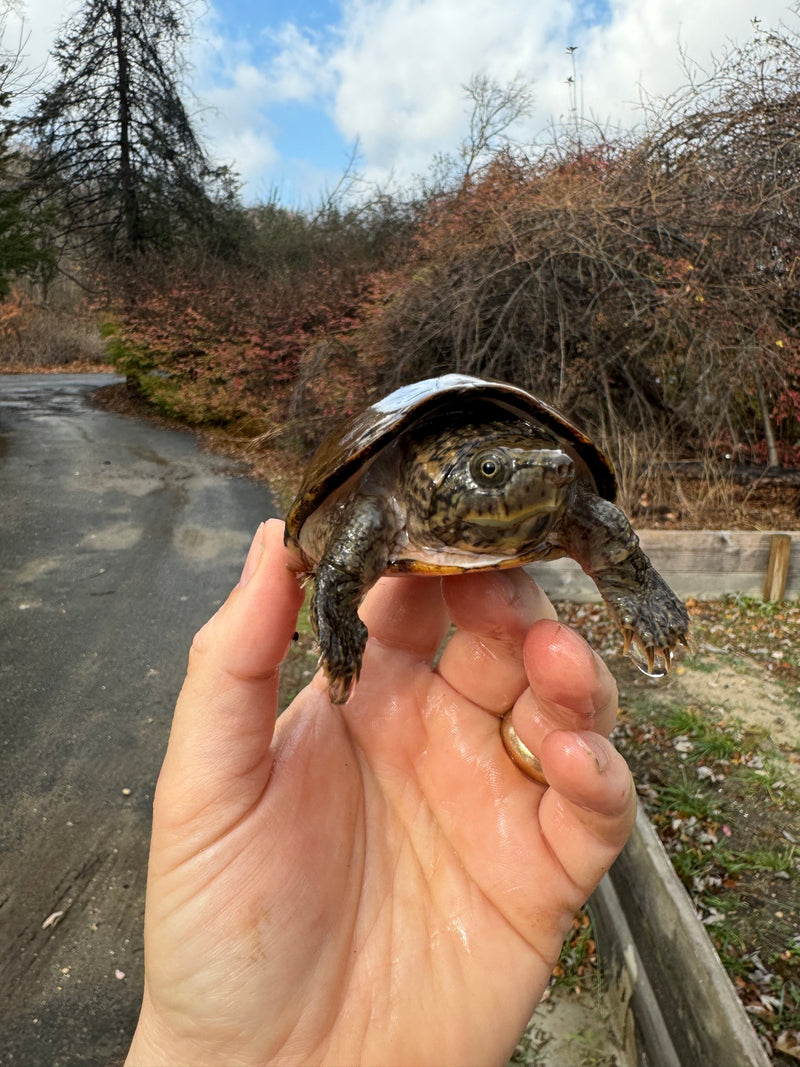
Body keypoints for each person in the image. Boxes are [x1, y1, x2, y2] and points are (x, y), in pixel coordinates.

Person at [125, 518, 636, 1067]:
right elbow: (353, 534)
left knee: (552, 654)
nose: (545, 473)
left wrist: (634, 588)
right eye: (488, 469)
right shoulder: (383, 507)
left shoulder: (547, 483)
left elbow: (594, 514)